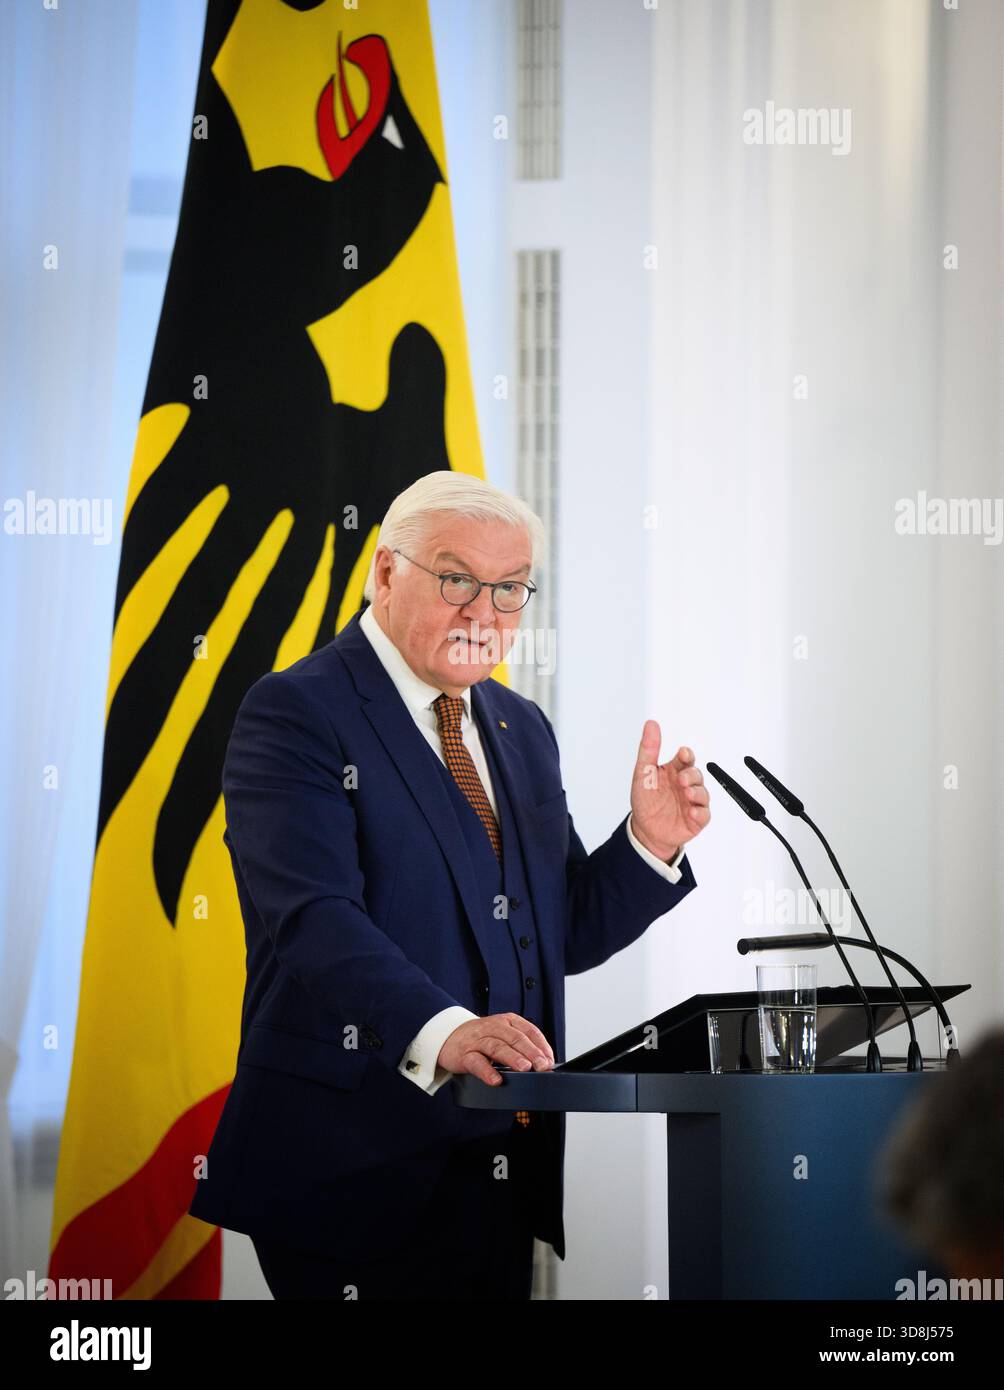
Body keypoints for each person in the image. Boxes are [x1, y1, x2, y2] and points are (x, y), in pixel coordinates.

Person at [188, 470, 710, 1299]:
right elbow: (314, 920)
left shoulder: (519, 727)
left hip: (502, 1156)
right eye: (457, 577)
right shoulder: (294, 712)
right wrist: (445, 1030)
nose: (484, 613)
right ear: (386, 572)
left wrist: (648, 843)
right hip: (348, 1162)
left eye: (509, 590)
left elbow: (557, 930)